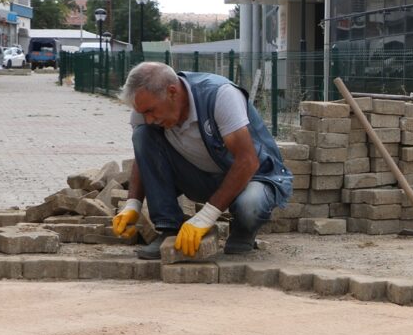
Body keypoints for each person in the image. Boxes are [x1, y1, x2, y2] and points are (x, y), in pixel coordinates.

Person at [111, 62, 293, 259]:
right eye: (142, 112)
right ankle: (169, 228)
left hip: (253, 177)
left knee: (250, 207)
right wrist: (133, 204)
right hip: (201, 177)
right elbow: (145, 156)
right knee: (143, 134)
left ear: (172, 92)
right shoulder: (146, 111)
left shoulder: (220, 95)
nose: (148, 118)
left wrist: (206, 217)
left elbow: (247, 161)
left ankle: (243, 229)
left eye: (150, 111)